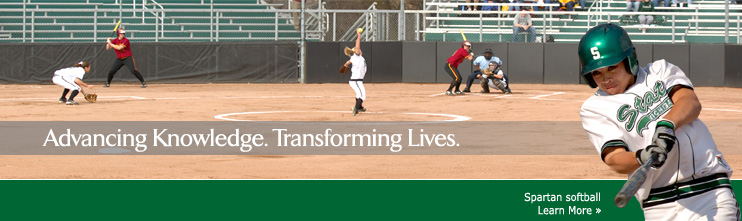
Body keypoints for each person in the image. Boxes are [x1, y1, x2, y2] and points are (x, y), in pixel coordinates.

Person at [578, 23, 739, 219]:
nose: (606, 78)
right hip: (658, 205)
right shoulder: (594, 108)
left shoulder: (659, 71)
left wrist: (667, 125)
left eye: (612, 67)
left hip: (708, 190)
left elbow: (690, 102)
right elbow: (614, 158)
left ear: (629, 60)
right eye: (597, 72)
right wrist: (641, 156)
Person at [342, 28, 367, 116]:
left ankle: (359, 107)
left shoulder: (358, 58)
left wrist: (345, 65)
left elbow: (348, 62)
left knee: (359, 94)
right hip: (356, 81)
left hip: (357, 80)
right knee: (362, 95)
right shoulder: (356, 56)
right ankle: (356, 109)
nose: (359, 50)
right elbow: (357, 46)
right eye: (358, 49)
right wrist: (358, 35)